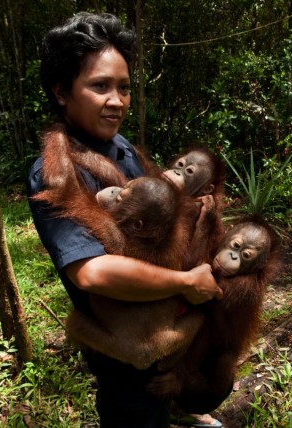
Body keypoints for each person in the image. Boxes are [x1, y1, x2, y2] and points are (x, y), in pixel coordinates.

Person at [27, 12, 223, 427]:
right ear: (62, 91)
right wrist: (187, 283)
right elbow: (92, 273)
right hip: (123, 343)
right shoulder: (56, 170)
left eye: (124, 88)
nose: (117, 100)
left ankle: (178, 409)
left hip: (165, 324)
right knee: (134, 411)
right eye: (100, 86)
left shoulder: (122, 148)